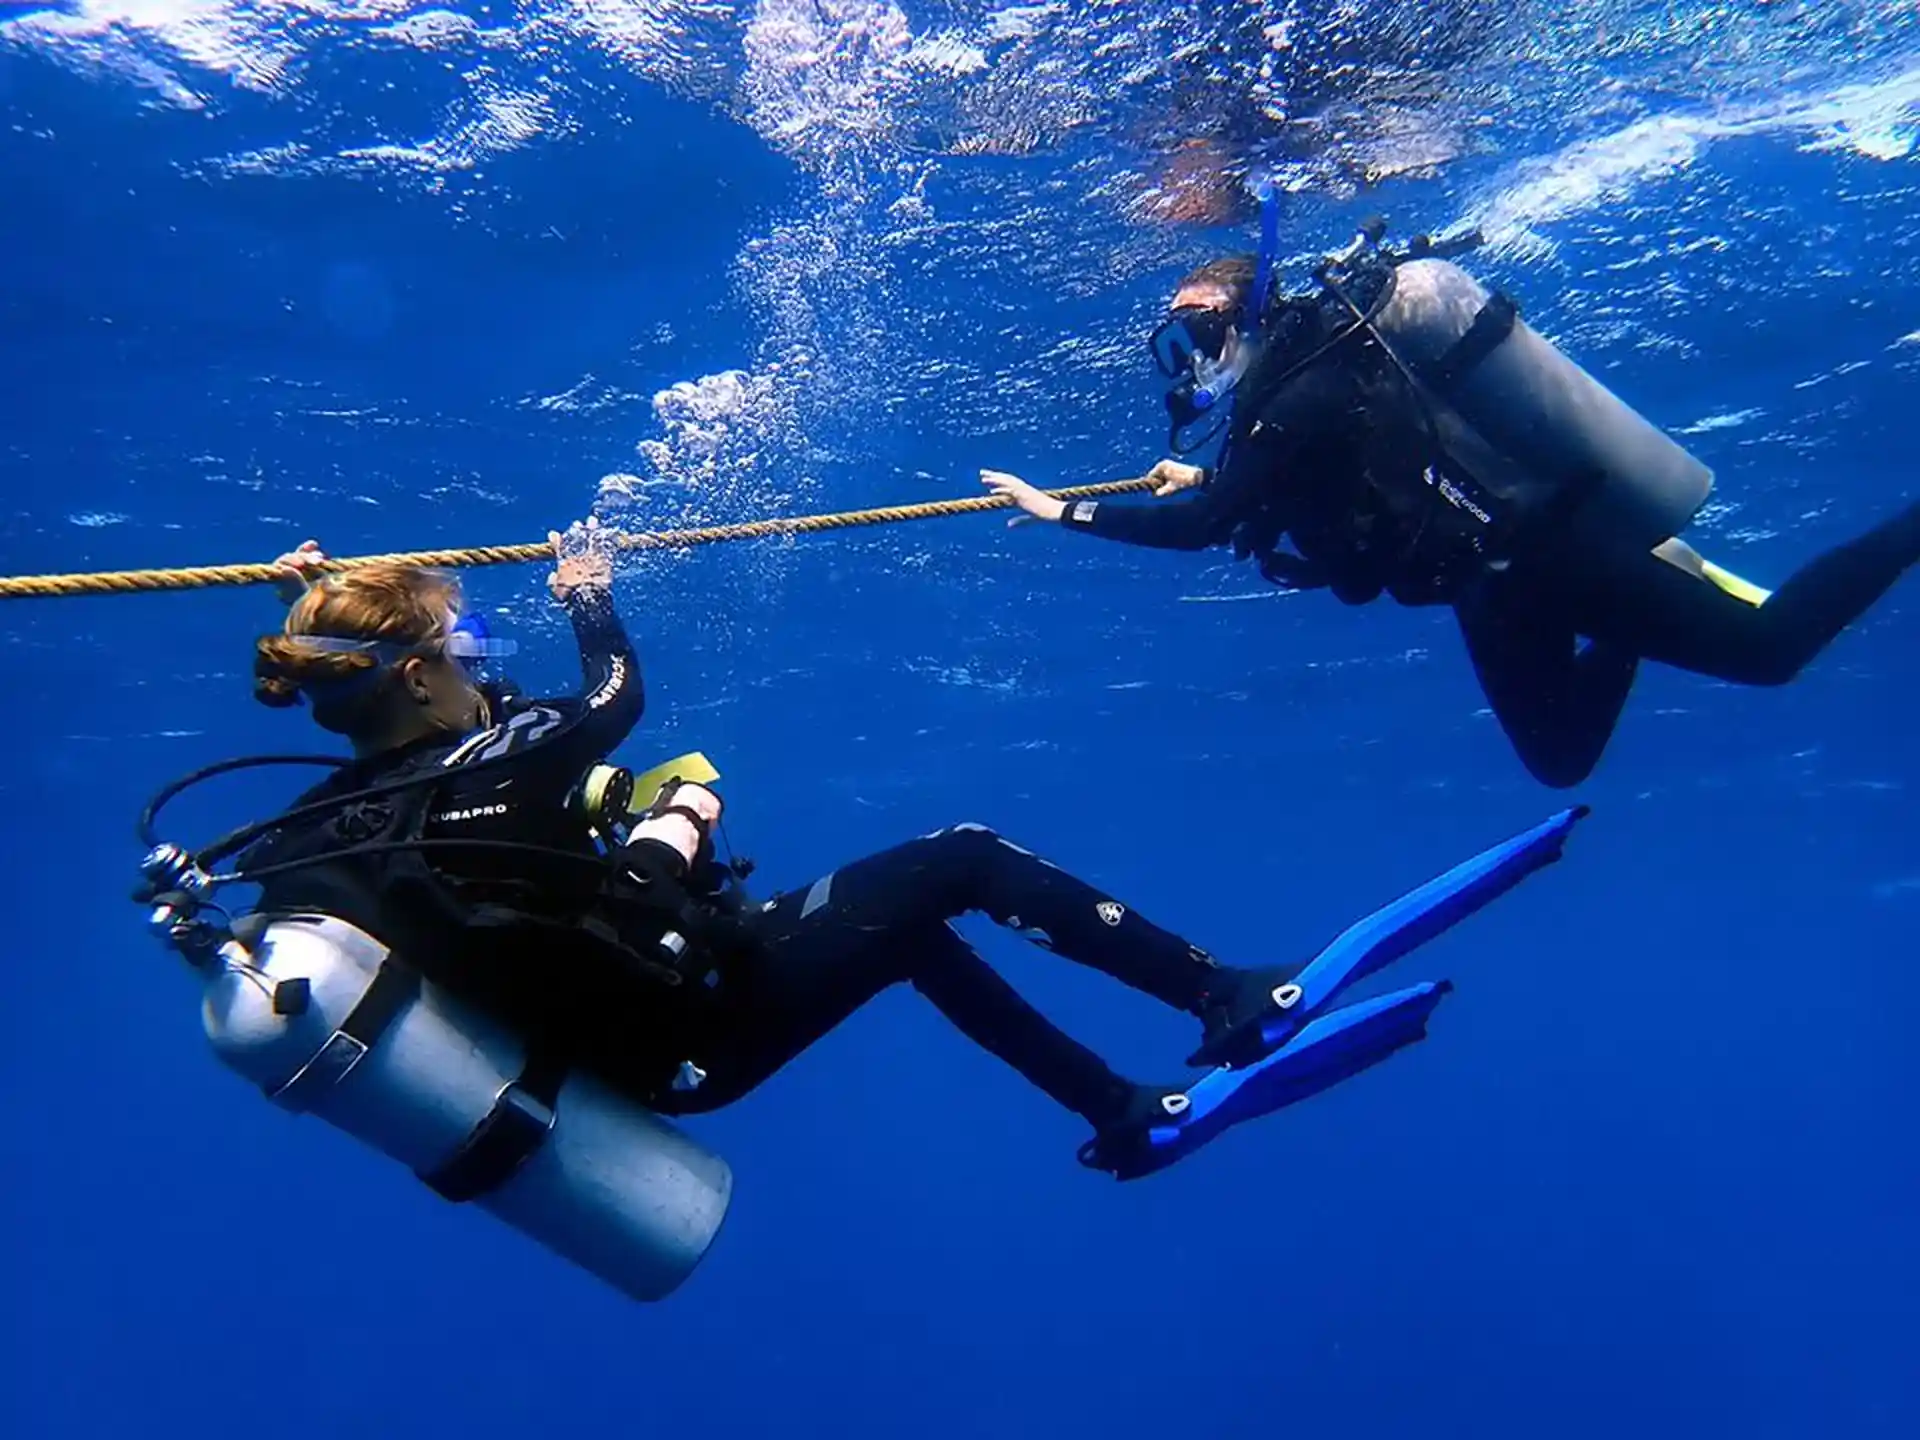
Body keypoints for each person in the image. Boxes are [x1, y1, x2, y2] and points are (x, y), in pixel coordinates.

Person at [166, 524, 1586, 1184]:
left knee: (906, 928)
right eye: (464, 647)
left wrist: (324, 614)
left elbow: (419, 788)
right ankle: (1233, 997)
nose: (483, 666)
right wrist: (591, 596)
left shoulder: (307, 836)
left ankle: (1128, 1111)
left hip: (631, 1053)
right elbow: (609, 706)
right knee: (960, 853)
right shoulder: (498, 745)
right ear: (416, 678)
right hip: (688, 1012)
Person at [983, 221, 1920, 788]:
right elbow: (1275, 492)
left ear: (1249, 310)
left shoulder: (1302, 389)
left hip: (1546, 546)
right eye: (1175, 341)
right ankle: (1652, 594)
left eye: (1197, 328)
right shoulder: (1286, 400)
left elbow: (1204, 529)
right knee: (1559, 759)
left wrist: (1059, 508)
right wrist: (1209, 480)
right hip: (1487, 583)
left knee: (1772, 652)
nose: (1189, 357)